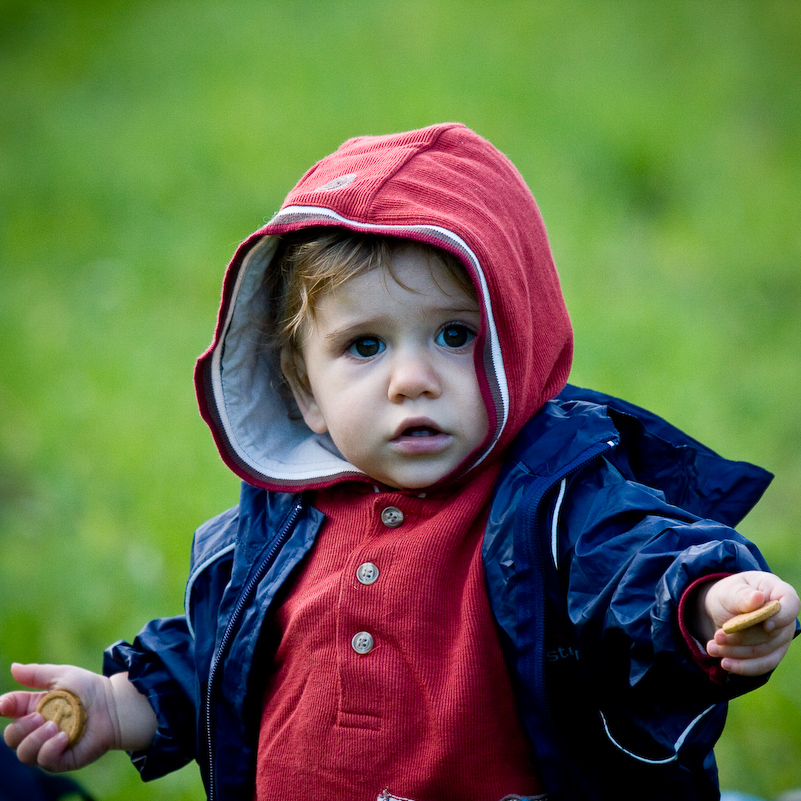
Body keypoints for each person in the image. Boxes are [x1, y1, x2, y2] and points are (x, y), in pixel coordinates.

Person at [1, 123, 799, 801]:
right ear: (305, 392)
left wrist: (710, 603)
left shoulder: (559, 503)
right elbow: (222, 654)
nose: (411, 377)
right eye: (364, 344)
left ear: (519, 341)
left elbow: (637, 569)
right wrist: (115, 704)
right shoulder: (282, 521)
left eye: (454, 334)